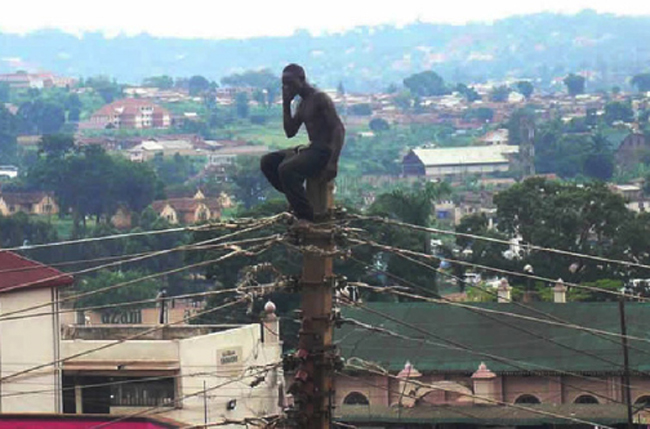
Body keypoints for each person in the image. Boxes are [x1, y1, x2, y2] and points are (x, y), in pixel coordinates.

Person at [260, 64, 345, 223]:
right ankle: (298, 200)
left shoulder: (320, 98)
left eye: (290, 83)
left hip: (324, 150)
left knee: (286, 169)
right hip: (311, 148)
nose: (287, 87)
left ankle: (306, 216)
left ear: (302, 79)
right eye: (284, 84)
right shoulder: (303, 103)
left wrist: (333, 161)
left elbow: (338, 129)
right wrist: (286, 104)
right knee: (268, 162)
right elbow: (290, 132)